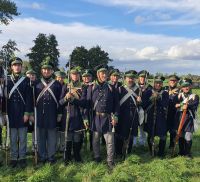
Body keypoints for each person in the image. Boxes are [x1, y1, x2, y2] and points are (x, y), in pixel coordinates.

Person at [70, 65, 119, 169]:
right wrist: (74, 100)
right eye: (102, 73)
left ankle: (110, 160)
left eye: (105, 73)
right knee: (95, 139)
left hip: (108, 118)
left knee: (110, 141)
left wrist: (116, 116)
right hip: (96, 118)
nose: (104, 75)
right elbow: (86, 103)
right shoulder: (91, 87)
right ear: (98, 75)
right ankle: (97, 156)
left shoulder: (111, 87)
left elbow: (116, 104)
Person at [3, 57, 33, 168]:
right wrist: (4, 113)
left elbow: (29, 98)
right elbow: (4, 99)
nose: (17, 67)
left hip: (22, 113)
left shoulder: (26, 80)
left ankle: (22, 158)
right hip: (11, 114)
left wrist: (27, 113)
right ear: (11, 67)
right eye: (15, 65)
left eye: (19, 65)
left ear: (21, 67)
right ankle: (14, 157)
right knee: (13, 137)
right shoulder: (7, 80)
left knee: (22, 137)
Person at [35, 57, 62, 164]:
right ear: (41, 70)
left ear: (52, 71)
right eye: (44, 69)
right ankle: (42, 156)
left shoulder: (57, 84)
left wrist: (59, 113)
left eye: (48, 69)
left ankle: (51, 156)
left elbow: (60, 100)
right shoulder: (36, 83)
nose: (46, 71)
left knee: (52, 137)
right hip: (40, 114)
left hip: (52, 114)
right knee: (41, 136)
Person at [59, 67, 84, 164]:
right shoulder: (65, 86)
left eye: (77, 74)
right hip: (67, 116)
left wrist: (74, 100)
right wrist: (66, 98)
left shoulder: (83, 87)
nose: (75, 76)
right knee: (67, 138)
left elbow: (84, 103)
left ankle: (77, 156)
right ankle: (67, 157)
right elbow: (60, 102)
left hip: (78, 116)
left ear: (79, 75)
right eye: (73, 74)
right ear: (70, 75)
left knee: (77, 138)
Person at [115, 70, 140, 157]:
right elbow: (116, 103)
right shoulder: (120, 89)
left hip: (133, 115)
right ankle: (118, 152)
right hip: (122, 115)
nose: (130, 80)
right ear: (125, 79)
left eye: (132, 78)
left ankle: (128, 152)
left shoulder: (138, 90)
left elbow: (143, 105)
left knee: (131, 135)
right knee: (120, 135)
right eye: (129, 78)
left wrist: (140, 101)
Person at [143, 76, 169, 157]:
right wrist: (151, 98)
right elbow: (144, 105)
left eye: (160, 83)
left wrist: (158, 98)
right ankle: (151, 151)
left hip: (161, 118)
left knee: (163, 136)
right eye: (156, 83)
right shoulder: (148, 92)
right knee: (150, 135)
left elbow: (165, 104)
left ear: (161, 84)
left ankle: (161, 153)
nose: (158, 84)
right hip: (150, 116)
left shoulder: (165, 93)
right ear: (154, 83)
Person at [174, 78, 199, 158]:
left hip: (189, 118)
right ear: (181, 87)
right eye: (184, 86)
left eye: (187, 86)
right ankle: (181, 152)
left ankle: (187, 153)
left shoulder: (195, 96)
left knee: (188, 136)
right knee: (180, 135)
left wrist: (184, 105)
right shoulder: (178, 95)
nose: (186, 88)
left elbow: (194, 104)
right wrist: (181, 105)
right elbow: (174, 104)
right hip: (179, 118)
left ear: (190, 86)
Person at [133, 70, 151, 147]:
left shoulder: (149, 88)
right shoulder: (134, 86)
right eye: (141, 77)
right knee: (134, 126)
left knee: (142, 127)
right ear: (138, 78)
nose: (142, 79)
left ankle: (142, 142)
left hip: (145, 109)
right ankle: (133, 142)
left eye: (144, 77)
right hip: (134, 109)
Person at [164, 75, 180, 149]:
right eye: (171, 80)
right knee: (163, 131)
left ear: (176, 82)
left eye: (174, 81)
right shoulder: (165, 89)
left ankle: (171, 146)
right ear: (168, 81)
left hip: (175, 113)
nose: (172, 82)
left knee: (173, 131)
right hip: (165, 113)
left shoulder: (180, 91)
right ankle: (162, 147)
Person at [54, 71, 66, 153]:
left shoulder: (66, 86)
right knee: (55, 129)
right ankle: (55, 146)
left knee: (62, 129)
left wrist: (60, 113)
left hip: (63, 110)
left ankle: (62, 146)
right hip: (54, 110)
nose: (60, 79)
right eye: (58, 77)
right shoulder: (53, 85)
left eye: (61, 77)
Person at [81, 69, 93, 151]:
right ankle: (83, 146)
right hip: (82, 111)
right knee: (82, 131)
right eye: (84, 77)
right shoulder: (80, 86)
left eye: (88, 76)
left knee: (92, 131)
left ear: (91, 77)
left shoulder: (94, 86)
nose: (86, 78)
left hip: (91, 111)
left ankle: (92, 148)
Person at [26, 69, 37, 155]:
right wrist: (28, 114)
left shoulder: (38, 85)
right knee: (24, 131)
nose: (31, 76)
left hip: (36, 111)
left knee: (35, 131)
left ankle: (34, 148)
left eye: (33, 75)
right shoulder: (24, 85)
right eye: (29, 75)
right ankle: (23, 149)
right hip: (25, 112)